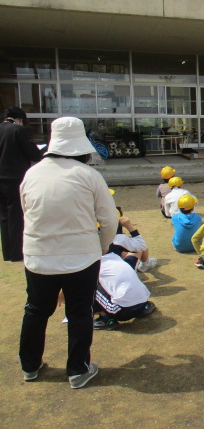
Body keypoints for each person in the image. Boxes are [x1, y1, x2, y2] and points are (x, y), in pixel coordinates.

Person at [19, 116, 118, 388]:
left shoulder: (32, 173)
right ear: (81, 146)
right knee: (79, 312)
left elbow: (27, 211)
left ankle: (30, 365)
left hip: (38, 255)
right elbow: (109, 220)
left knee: (36, 310)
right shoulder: (89, 175)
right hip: (81, 257)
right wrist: (102, 245)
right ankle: (77, 369)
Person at [0, 107, 43, 262]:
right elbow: (34, 154)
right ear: (20, 119)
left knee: (4, 215)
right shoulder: (18, 130)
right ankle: (17, 252)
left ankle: (7, 252)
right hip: (14, 177)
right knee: (16, 215)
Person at [93, 242, 156, 331]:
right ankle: (143, 308)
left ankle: (105, 319)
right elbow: (137, 250)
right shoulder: (115, 257)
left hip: (122, 312)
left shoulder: (92, 263)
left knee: (88, 285)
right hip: (143, 302)